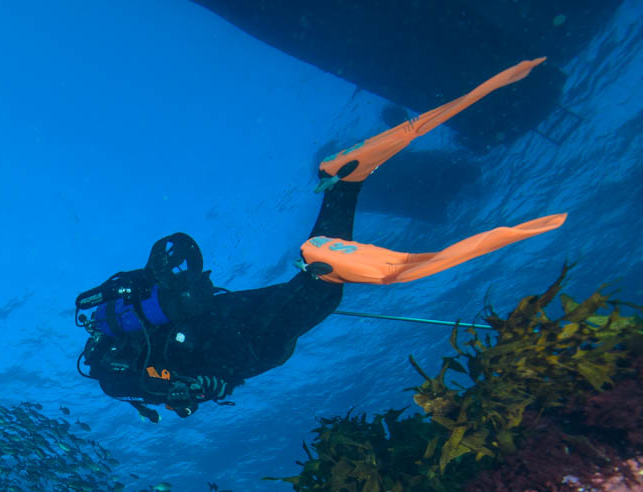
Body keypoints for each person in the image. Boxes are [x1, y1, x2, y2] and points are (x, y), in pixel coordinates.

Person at [75, 58, 567, 421]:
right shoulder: (118, 320)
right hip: (223, 310)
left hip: (230, 349)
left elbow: (165, 391)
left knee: (322, 291)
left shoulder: (105, 369)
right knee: (311, 286)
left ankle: (343, 194)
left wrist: (199, 388)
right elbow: (159, 279)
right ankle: (340, 182)